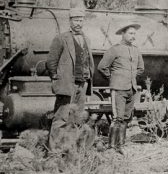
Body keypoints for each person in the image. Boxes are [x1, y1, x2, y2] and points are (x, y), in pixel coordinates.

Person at [46, 8, 95, 151]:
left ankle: (70, 149)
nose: (78, 23)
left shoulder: (87, 39)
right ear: (70, 21)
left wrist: (88, 78)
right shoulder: (61, 38)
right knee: (61, 118)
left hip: (83, 84)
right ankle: (54, 151)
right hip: (68, 84)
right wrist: (57, 79)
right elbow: (51, 62)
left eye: (81, 20)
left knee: (76, 118)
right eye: (75, 20)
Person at [98, 23, 144, 154]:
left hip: (131, 88)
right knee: (117, 118)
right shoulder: (115, 49)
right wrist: (114, 78)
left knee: (126, 118)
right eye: (130, 33)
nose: (133, 36)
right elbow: (102, 67)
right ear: (123, 34)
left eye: (134, 33)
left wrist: (131, 76)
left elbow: (141, 68)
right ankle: (111, 147)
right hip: (118, 88)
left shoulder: (136, 50)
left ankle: (121, 146)